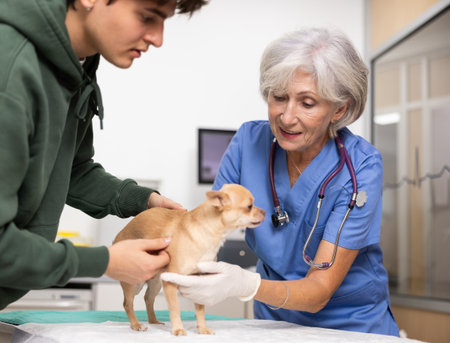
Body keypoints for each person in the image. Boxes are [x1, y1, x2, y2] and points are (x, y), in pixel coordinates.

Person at [161, 27, 400, 336]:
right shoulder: (249, 142)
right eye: (279, 97)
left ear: (338, 109)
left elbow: (320, 289)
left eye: (308, 103)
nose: (287, 117)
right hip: (272, 324)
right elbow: (206, 227)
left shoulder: (362, 167)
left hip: (351, 327)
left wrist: (246, 284)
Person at [0, 0, 207, 310]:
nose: (158, 39)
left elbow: (71, 170)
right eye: (147, 17)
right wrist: (105, 261)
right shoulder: (11, 69)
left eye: (163, 21)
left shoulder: (75, 67)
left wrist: (144, 201)